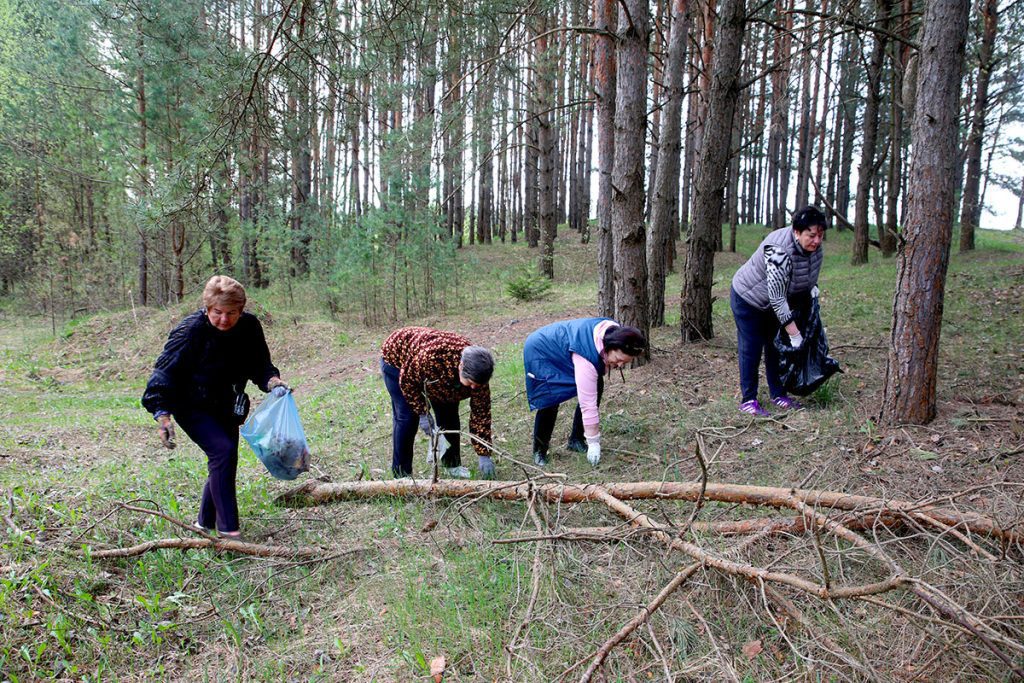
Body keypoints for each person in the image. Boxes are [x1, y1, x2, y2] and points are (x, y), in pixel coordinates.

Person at [142, 275, 288, 539]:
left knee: (224, 457)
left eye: (231, 313)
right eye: (217, 312)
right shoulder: (191, 331)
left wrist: (272, 381)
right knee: (222, 451)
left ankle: (204, 524)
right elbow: (163, 373)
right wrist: (162, 414)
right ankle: (230, 532)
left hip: (227, 403)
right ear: (207, 308)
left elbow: (260, 364)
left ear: (241, 311)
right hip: (190, 404)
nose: (224, 319)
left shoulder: (249, 327)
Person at [730, 206, 827, 416]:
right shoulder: (778, 249)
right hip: (748, 299)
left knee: (775, 347)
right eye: (811, 235)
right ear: (796, 232)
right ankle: (748, 400)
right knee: (752, 347)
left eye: (820, 235)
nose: (817, 241)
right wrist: (795, 334)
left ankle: (778, 394)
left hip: (778, 302)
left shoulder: (816, 250)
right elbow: (777, 298)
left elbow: (807, 280)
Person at [523, 318, 646, 467]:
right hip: (542, 350)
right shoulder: (586, 357)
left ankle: (576, 440)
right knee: (550, 398)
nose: (620, 365)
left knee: (595, 385)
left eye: (625, 362)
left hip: (566, 348)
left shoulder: (615, 334)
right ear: (609, 347)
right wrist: (594, 442)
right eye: (619, 359)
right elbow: (588, 405)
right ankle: (539, 451)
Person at [380, 327, 496, 479]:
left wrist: (484, 454)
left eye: (478, 385)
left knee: (449, 414)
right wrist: (423, 412)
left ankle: (452, 464)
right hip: (397, 361)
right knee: (407, 417)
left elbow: (481, 415)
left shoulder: (479, 374)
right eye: (471, 383)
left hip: (435, 371)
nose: (474, 388)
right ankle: (401, 475)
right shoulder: (431, 357)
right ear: (461, 367)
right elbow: (407, 381)